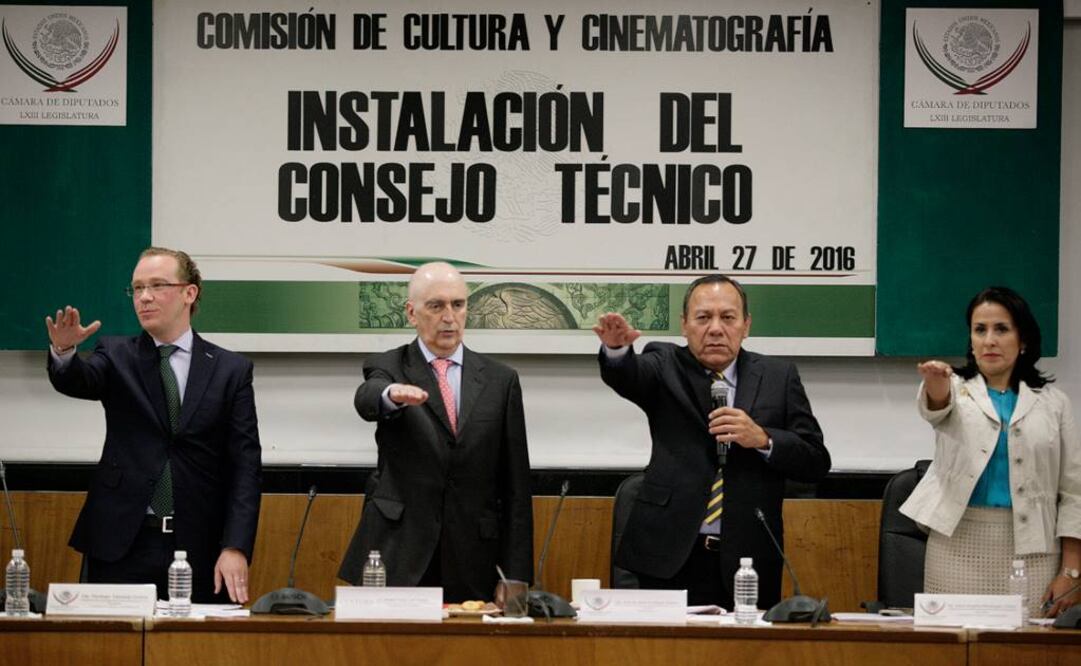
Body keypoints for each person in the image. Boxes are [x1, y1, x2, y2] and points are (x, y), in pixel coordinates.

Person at [594, 274, 830, 609]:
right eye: (703, 318)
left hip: (748, 559)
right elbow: (629, 375)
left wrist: (762, 439)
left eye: (728, 318)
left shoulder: (779, 376)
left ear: (746, 325)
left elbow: (816, 461)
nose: (716, 329)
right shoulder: (663, 363)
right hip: (669, 553)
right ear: (685, 325)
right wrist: (617, 351)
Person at [45, 247, 262, 604]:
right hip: (122, 543)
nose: (144, 297)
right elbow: (79, 379)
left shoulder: (230, 370)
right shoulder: (115, 355)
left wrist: (235, 546)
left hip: (201, 546)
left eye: (157, 286)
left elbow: (245, 467)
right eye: (137, 288)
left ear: (189, 293)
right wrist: (65, 353)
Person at [338, 262, 533, 601]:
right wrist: (391, 395)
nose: (449, 316)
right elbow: (367, 397)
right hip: (400, 551)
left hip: (475, 558)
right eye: (436, 305)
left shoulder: (501, 381)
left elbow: (516, 487)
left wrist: (516, 574)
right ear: (412, 313)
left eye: (458, 305)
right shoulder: (389, 365)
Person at [901, 286, 1081, 617]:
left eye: (1001, 329)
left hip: (1033, 552)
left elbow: (1074, 491)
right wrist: (935, 384)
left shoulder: (1055, 403)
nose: (989, 340)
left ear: (1023, 339)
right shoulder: (954, 388)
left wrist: (1071, 571)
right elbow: (936, 407)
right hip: (956, 547)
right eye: (980, 330)